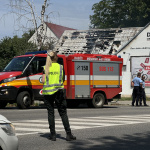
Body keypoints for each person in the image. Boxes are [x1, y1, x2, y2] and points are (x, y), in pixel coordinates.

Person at [42, 51, 76, 141]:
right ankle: (69, 134)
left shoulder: (45, 68)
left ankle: (53, 135)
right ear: (56, 57)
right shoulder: (61, 67)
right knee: (63, 113)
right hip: (59, 92)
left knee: (50, 113)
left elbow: (42, 80)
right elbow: (63, 79)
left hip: (48, 93)